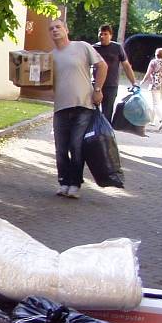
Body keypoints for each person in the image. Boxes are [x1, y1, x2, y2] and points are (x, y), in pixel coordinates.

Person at [48, 18, 107, 199]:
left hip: (83, 104)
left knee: (76, 145)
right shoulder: (50, 56)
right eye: (51, 29)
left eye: (58, 27)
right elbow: (42, 80)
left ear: (66, 29)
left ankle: (75, 184)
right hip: (60, 106)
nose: (55, 30)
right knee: (60, 148)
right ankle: (63, 182)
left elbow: (102, 65)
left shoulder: (82, 47)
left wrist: (98, 89)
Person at [92, 24, 137, 124]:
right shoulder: (94, 48)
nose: (102, 36)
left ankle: (105, 136)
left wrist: (134, 82)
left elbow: (126, 65)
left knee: (107, 114)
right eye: (100, 34)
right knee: (91, 112)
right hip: (95, 85)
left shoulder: (117, 47)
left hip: (111, 85)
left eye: (105, 34)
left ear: (111, 35)